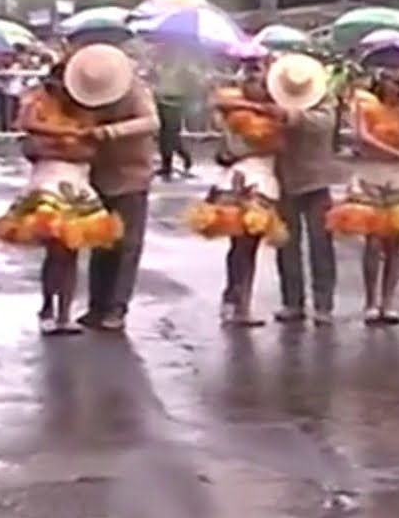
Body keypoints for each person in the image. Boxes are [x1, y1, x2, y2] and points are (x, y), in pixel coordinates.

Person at [0, 46, 128, 334]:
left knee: (71, 249)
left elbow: (89, 149)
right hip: (48, 182)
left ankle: (63, 312)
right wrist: (67, 137)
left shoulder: (90, 109)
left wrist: (66, 143)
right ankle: (48, 307)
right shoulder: (39, 103)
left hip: (78, 183)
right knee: (56, 250)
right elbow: (28, 127)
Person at [328, 64, 399, 326]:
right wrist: (397, 154)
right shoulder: (364, 105)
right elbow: (362, 137)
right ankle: (370, 302)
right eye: (390, 80)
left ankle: (388, 302)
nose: (395, 86)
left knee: (395, 243)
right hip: (370, 175)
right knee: (373, 241)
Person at [186, 60, 288, 327]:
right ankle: (238, 304)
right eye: (251, 79)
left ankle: (236, 301)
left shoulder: (275, 112)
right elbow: (222, 105)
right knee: (242, 246)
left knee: (244, 247)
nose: (255, 84)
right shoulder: (241, 111)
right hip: (246, 179)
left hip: (254, 178)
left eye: (261, 81)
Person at [79, 45, 159, 333]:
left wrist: (111, 131)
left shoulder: (135, 90)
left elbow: (151, 121)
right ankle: (96, 304)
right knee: (101, 242)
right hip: (99, 172)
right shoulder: (84, 93)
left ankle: (117, 307)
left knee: (127, 244)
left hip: (133, 173)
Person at [271, 54, 339, 326]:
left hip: (316, 181)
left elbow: (322, 123)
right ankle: (292, 302)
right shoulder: (272, 101)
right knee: (286, 244)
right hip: (285, 179)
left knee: (321, 244)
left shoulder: (326, 103)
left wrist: (289, 115)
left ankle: (324, 304)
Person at [150, 47, 199, 179]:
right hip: (160, 100)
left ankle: (184, 156)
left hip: (175, 102)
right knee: (163, 135)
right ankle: (166, 165)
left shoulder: (183, 64)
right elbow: (154, 80)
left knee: (172, 134)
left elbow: (195, 79)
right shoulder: (160, 65)